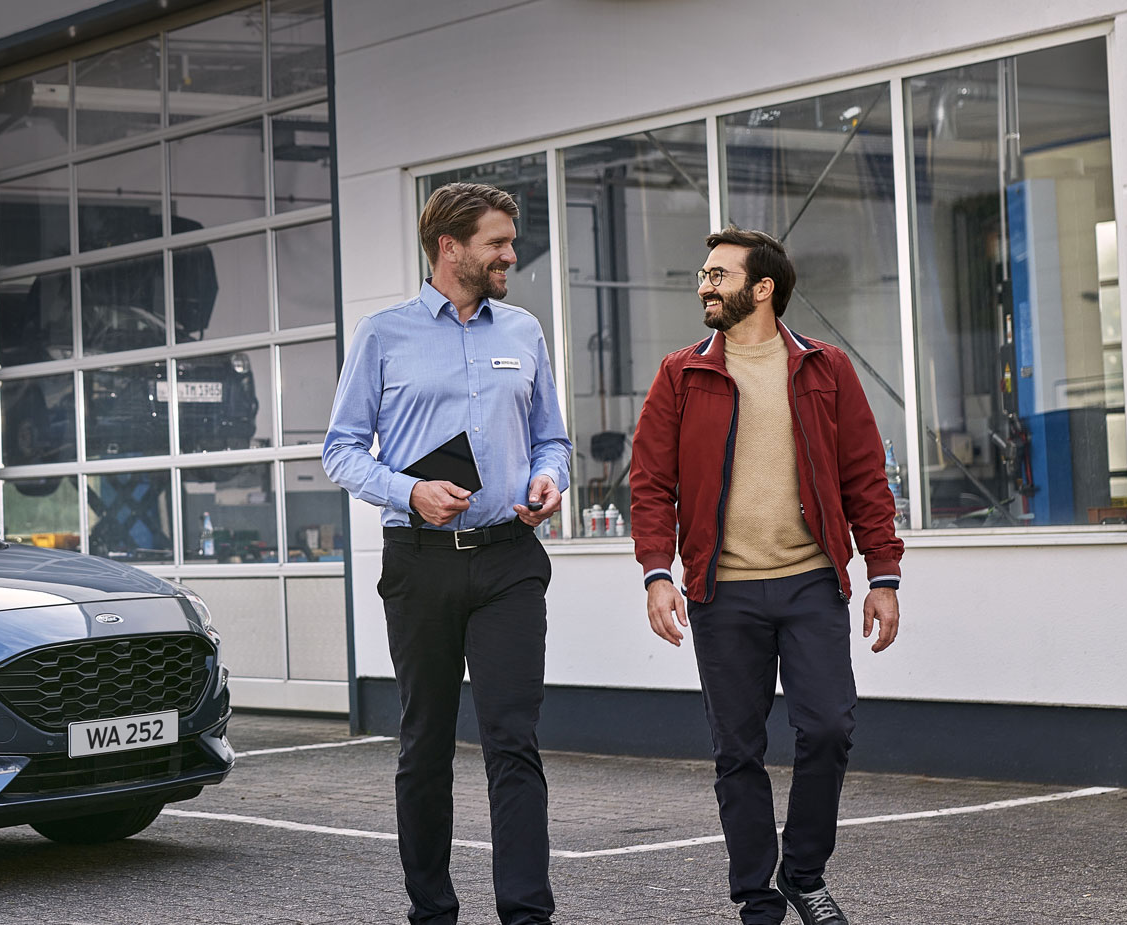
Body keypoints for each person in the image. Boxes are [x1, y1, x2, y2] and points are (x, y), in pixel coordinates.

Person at [627, 227, 906, 925]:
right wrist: (658, 574)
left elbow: (864, 475)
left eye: (718, 275)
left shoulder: (826, 368)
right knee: (738, 751)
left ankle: (803, 871)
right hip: (722, 593)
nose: (704, 285)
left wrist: (884, 573)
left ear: (762, 288)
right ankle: (758, 896)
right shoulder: (680, 373)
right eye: (703, 273)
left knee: (829, 728)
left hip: (811, 581)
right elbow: (650, 483)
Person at [323, 182, 571, 925]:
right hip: (420, 560)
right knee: (425, 742)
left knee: (513, 741)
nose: (510, 255)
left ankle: (527, 914)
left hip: (508, 560)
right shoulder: (383, 335)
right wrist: (408, 491)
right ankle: (431, 911)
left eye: (510, 241)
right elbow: (340, 451)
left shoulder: (523, 331)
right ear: (449, 247)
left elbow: (552, 437)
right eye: (497, 242)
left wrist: (549, 477)